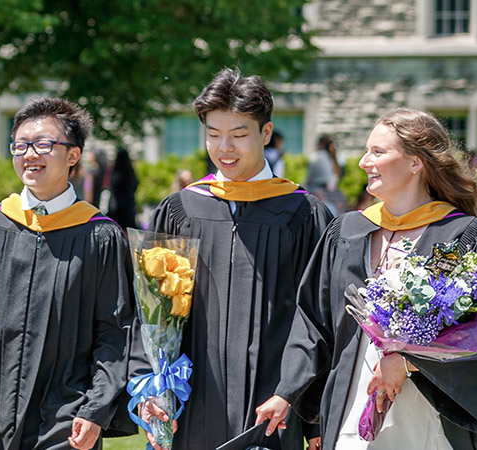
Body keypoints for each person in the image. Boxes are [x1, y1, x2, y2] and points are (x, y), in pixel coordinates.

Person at [278, 108, 477, 450]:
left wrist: (407, 361)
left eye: (378, 152)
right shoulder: (346, 232)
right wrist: (288, 392)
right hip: (354, 398)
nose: (364, 162)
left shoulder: (463, 236)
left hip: (429, 408)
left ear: (415, 162)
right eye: (367, 151)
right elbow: (312, 323)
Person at [0, 98, 132, 450]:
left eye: (44, 145)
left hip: (69, 414)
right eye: (21, 145)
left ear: (73, 155)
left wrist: (96, 407)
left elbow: (116, 329)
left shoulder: (100, 237)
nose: (30, 154)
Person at [136, 68, 333, 450]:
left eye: (239, 135)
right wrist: (154, 391)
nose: (224, 148)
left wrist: (310, 413)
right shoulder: (180, 210)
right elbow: (147, 312)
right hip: (192, 404)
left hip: (274, 405)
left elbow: (319, 318)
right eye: (213, 135)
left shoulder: (303, 215)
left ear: (265, 132)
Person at [308, 135, 348, 215]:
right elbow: (339, 175)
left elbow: (310, 177)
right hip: (331, 190)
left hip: (319, 190)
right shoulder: (338, 157)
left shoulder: (316, 157)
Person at [106, 147, 140, 228]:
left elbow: (111, 188)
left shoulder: (115, 174)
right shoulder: (131, 174)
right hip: (129, 206)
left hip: (116, 207)